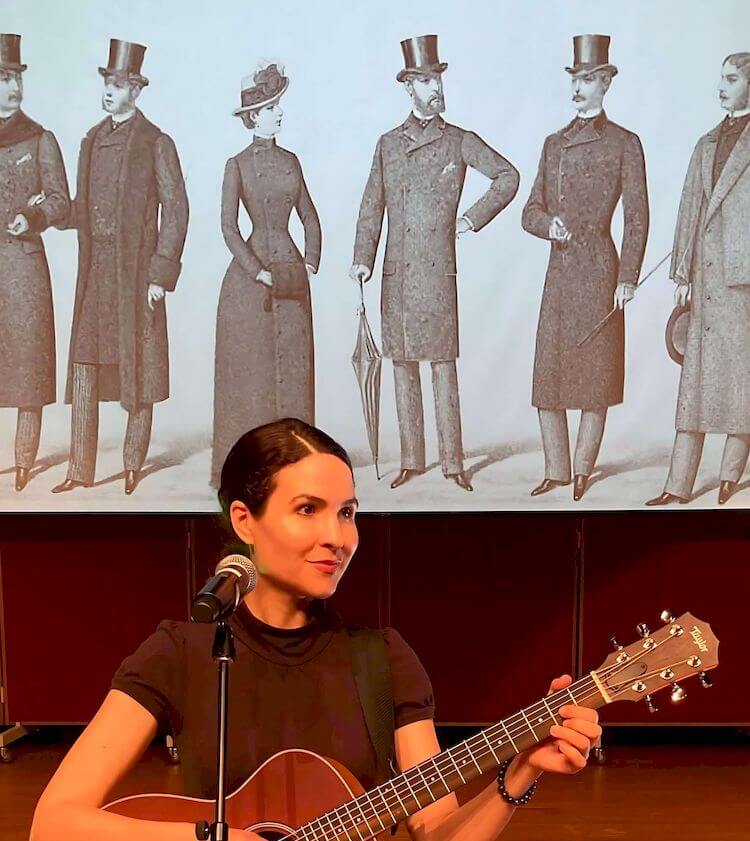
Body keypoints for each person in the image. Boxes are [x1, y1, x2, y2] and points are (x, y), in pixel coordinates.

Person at [30, 417, 601, 841]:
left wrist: (521, 772)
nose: (337, 537)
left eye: (348, 513)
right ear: (244, 520)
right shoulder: (182, 653)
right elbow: (54, 823)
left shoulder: (383, 660)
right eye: (309, 510)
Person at [351, 35, 519, 493]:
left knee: (443, 367)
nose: (435, 87)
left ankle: (452, 462)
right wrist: (361, 259)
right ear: (409, 87)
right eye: (425, 80)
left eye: (438, 78)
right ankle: (411, 459)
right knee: (402, 364)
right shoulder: (387, 144)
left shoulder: (459, 141)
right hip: (396, 275)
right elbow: (372, 206)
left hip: (436, 273)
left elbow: (508, 176)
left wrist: (471, 217)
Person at [53, 39, 189, 496]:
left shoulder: (155, 142)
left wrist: (160, 273)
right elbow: (80, 208)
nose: (109, 91)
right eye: (106, 83)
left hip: (136, 275)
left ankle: (133, 464)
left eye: (118, 84)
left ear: (136, 89)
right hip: (97, 271)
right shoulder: (91, 141)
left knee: (141, 367)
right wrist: (45, 210)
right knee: (85, 366)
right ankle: (79, 469)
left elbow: (177, 208)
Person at [522, 34, 649, 502]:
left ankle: (581, 470)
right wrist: (547, 225)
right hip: (559, 272)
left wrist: (628, 277)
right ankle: (556, 469)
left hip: (599, 270)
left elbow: (637, 217)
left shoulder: (624, 143)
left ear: (605, 84)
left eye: (588, 79)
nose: (578, 87)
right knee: (548, 379)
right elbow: (529, 210)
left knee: (595, 376)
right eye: (575, 78)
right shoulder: (553, 144)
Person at [646, 52, 750, 507]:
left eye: (731, 79)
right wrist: (680, 270)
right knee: (694, 387)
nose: (721, 86)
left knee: (741, 383)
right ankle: (677, 485)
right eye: (721, 79)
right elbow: (689, 208)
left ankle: (730, 476)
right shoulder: (706, 142)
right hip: (705, 280)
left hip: (742, 281)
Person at [210, 63, 321, 487]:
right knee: (252, 368)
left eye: (278, 106)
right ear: (254, 116)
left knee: (293, 364)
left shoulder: (292, 161)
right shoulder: (235, 164)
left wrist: (310, 259)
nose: (279, 113)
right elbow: (227, 226)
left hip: (291, 275)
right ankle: (248, 464)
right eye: (272, 108)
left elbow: (309, 215)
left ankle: (293, 461)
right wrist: (256, 270)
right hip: (247, 280)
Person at [0, 33, 70, 492]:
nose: (14, 87)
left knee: (27, 365)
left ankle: (24, 460)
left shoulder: (40, 138)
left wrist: (35, 214)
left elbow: (62, 202)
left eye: (17, 78)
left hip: (24, 268)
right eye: (4, 78)